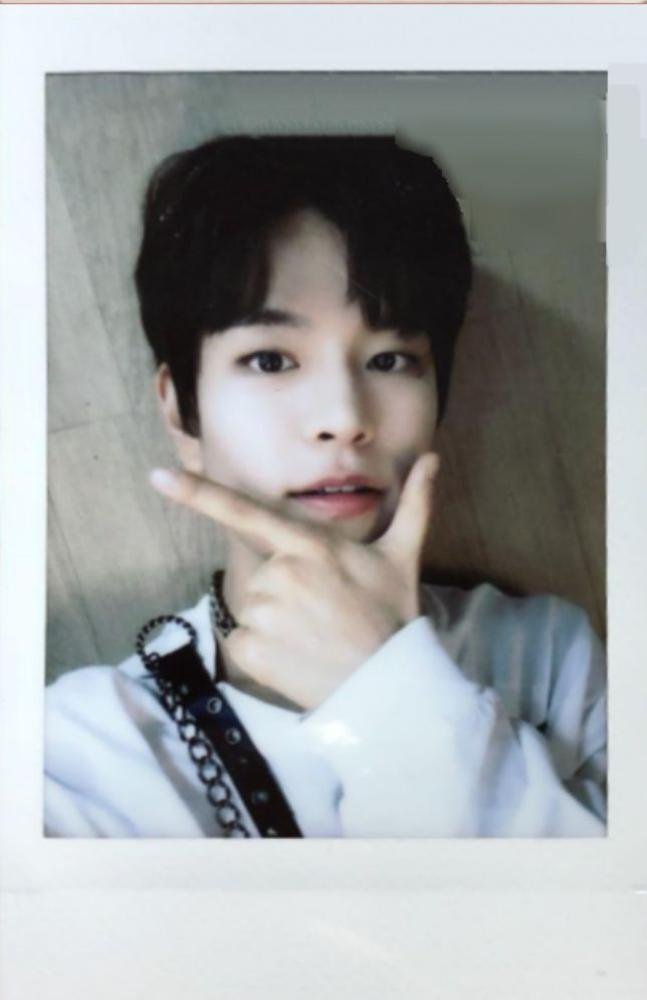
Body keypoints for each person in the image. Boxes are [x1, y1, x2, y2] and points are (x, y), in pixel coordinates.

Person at [44, 135, 606, 838]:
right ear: (180, 410)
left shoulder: (548, 658)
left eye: (390, 359)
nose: (344, 419)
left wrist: (386, 692)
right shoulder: (81, 749)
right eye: (270, 360)